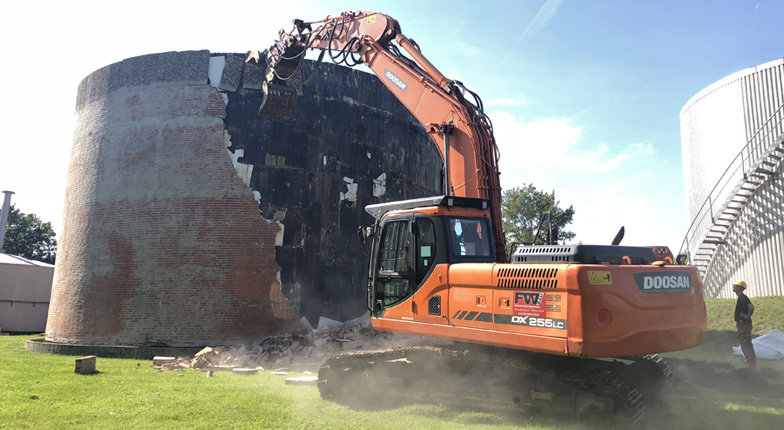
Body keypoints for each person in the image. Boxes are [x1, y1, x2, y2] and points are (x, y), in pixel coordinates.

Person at [732, 280, 756, 371]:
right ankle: (751, 366)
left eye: (736, 286)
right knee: (745, 344)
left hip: (743, 325)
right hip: (743, 324)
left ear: (740, 288)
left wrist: (747, 316)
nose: (734, 287)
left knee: (746, 344)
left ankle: (751, 367)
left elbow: (751, 307)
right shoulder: (741, 297)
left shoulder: (743, 297)